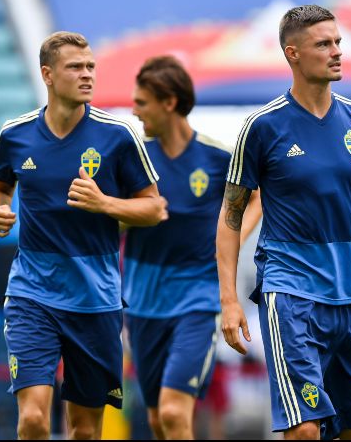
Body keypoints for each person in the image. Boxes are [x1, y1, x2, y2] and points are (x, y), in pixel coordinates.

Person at [215, 4, 351, 440]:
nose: (337, 52)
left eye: (338, 42)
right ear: (292, 53)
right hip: (292, 297)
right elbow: (231, 217)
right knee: (304, 431)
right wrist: (229, 300)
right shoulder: (262, 127)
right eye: (324, 44)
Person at [0, 31, 167, 439]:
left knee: (85, 429)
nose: (87, 75)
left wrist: (107, 205)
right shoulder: (16, 135)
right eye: (75, 68)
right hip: (33, 294)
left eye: (90, 67)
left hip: (95, 301)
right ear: (48, 74)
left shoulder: (117, 137)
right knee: (32, 419)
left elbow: (155, 208)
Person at [122, 55, 259, 440]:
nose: (134, 110)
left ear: (168, 102)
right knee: (155, 420)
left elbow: (255, 198)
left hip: (198, 299)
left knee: (173, 411)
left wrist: (231, 239)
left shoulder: (217, 157)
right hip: (143, 301)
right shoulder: (134, 156)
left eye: (142, 102)